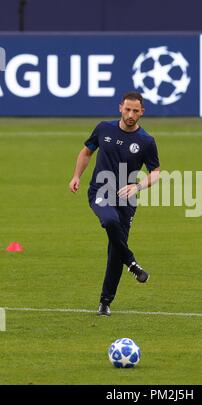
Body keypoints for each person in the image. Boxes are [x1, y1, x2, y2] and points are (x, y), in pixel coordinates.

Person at [69, 92, 160, 316]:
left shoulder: (146, 141)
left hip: (126, 199)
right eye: (127, 109)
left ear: (142, 112)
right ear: (120, 107)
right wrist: (76, 176)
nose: (131, 115)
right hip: (100, 191)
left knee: (114, 251)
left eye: (135, 111)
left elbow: (156, 172)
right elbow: (86, 151)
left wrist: (137, 187)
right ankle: (132, 263)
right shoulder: (104, 128)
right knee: (109, 220)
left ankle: (105, 302)